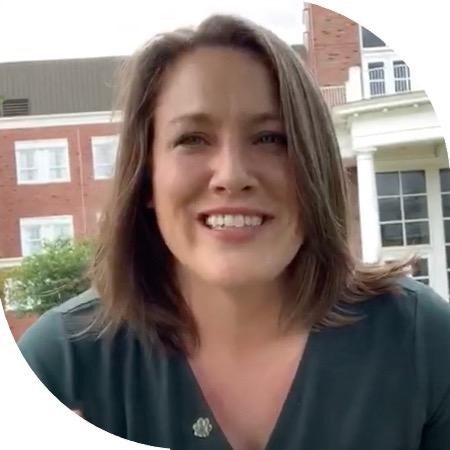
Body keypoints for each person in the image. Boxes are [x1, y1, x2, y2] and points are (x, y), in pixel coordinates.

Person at [18, 14, 450, 450]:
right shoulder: (60, 363)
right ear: (147, 178)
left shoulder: (421, 342)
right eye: (193, 139)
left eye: (271, 139)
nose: (232, 175)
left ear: (313, 167)